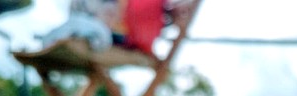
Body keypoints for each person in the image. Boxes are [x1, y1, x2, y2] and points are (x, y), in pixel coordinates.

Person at [41, 0, 192, 55]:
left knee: (100, 29)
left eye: (186, 14)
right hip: (98, 9)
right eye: (185, 5)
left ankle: (72, 29)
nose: (182, 10)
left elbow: (136, 44)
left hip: (107, 28)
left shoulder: (155, 32)